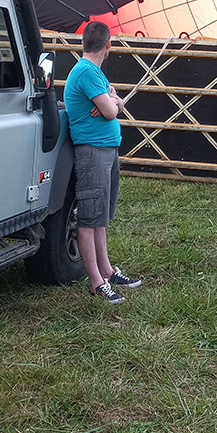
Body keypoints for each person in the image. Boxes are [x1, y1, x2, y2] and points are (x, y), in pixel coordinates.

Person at [63, 20, 141, 304]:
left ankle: (107, 270)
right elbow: (111, 111)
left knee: (100, 217)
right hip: (93, 153)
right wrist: (111, 101)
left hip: (106, 150)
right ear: (108, 45)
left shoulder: (92, 73)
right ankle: (97, 282)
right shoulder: (86, 72)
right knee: (89, 219)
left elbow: (113, 105)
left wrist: (112, 101)